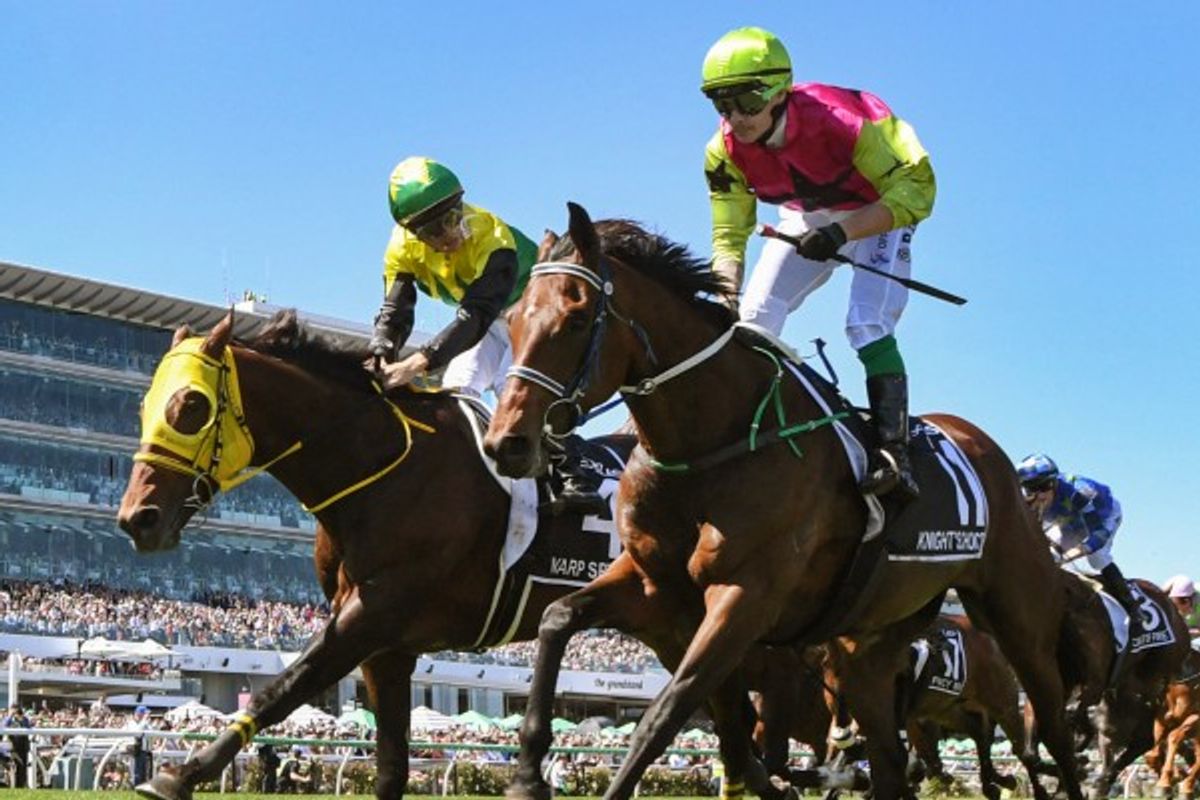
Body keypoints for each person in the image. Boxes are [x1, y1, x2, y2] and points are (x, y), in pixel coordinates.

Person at [700, 27, 936, 501]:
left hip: (879, 211)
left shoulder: (846, 120)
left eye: (747, 100)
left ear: (779, 90)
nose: (736, 118)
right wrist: (724, 297)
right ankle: (746, 430)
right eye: (721, 104)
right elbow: (729, 237)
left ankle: (895, 451)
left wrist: (841, 234)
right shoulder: (723, 153)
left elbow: (919, 190)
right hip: (809, 212)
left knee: (866, 324)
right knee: (752, 318)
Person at [369, 156, 606, 516]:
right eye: (433, 231)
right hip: (486, 319)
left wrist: (419, 361)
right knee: (456, 390)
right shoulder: (400, 248)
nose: (449, 234)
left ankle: (578, 471)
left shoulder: (491, 236)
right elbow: (395, 311)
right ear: (412, 233)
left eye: (452, 217)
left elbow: (476, 314)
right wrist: (382, 354)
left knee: (520, 396)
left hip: (526, 317)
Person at [1016, 454, 1143, 637]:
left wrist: (1068, 556)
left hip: (1102, 516)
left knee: (1097, 558)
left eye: (1043, 487)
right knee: (1049, 554)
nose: (1038, 495)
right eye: (1030, 488)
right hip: (1067, 518)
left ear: (1053, 483)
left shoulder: (1082, 492)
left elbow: (1097, 536)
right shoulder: (1027, 498)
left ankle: (1133, 609)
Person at [2, 704, 31, 788]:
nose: (15, 712)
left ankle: (20, 786)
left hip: (23, 746)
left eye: (16, 710)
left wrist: (20, 718)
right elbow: (3, 726)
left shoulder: (24, 719)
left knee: (22, 768)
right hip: (13, 747)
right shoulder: (8, 719)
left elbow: (27, 727)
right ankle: (12, 785)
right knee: (14, 767)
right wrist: (10, 716)